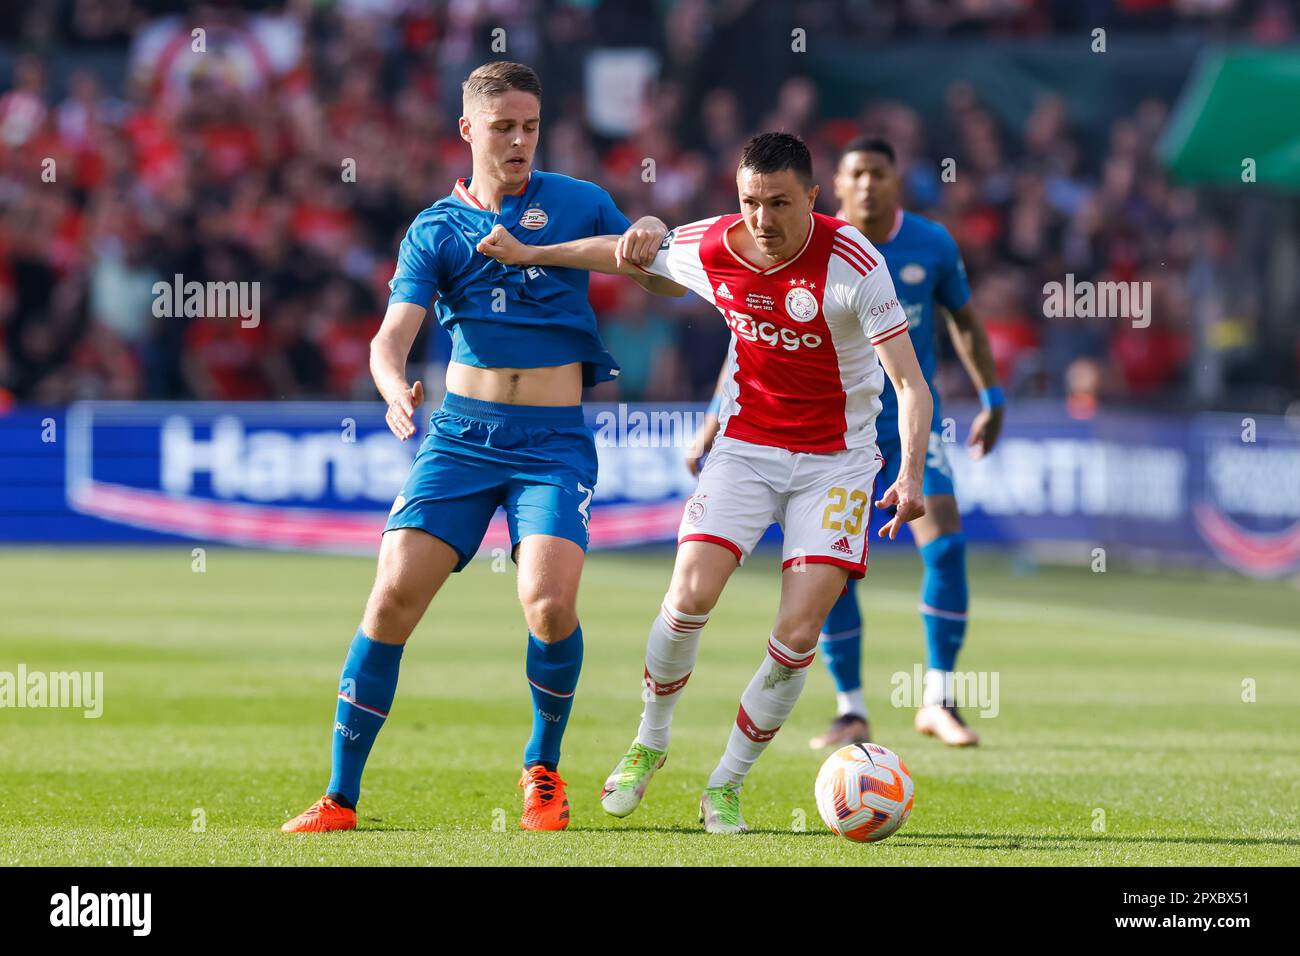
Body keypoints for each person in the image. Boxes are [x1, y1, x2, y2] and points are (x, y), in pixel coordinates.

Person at [478, 132, 932, 833]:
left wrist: (908, 473)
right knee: (688, 595)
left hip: (838, 461)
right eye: (750, 202)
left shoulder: (854, 263)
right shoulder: (717, 243)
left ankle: (725, 784)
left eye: (779, 203)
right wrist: (533, 252)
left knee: (797, 631)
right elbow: (626, 254)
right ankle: (649, 740)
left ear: (812, 197)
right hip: (747, 446)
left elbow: (910, 383)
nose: (763, 219)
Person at [281, 61, 681, 834]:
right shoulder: (435, 227)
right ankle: (340, 797)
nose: (521, 139)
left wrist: (652, 239)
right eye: (504, 126)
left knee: (549, 602)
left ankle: (542, 769)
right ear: (468, 130)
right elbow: (389, 338)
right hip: (460, 438)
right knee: (392, 598)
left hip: (552, 443)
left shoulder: (577, 202)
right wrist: (394, 386)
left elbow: (661, 281)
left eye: (531, 125)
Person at [688, 137, 1004, 748]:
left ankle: (938, 697)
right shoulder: (799, 245)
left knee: (944, 545)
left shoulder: (931, 245)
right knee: (832, 573)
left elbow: (965, 323)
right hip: (827, 431)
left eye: (877, 174)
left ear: (895, 180)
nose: (866, 185)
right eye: (855, 174)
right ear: (834, 186)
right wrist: (712, 418)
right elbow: (748, 337)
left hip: (906, 424)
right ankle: (850, 707)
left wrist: (992, 396)